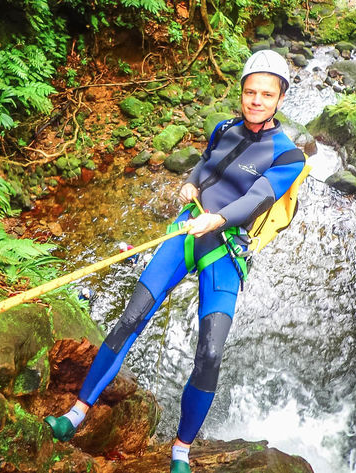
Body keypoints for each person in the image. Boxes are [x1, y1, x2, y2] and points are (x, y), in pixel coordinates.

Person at [45, 50, 306, 473]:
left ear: (279, 99)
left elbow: (260, 197)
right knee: (131, 316)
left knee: (211, 353)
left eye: (266, 94)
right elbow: (207, 164)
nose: (256, 100)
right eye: (250, 92)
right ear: (241, 93)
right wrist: (188, 184)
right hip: (187, 231)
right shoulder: (223, 128)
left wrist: (217, 218)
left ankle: (181, 450)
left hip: (224, 245)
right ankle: (76, 413)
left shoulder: (287, 154)